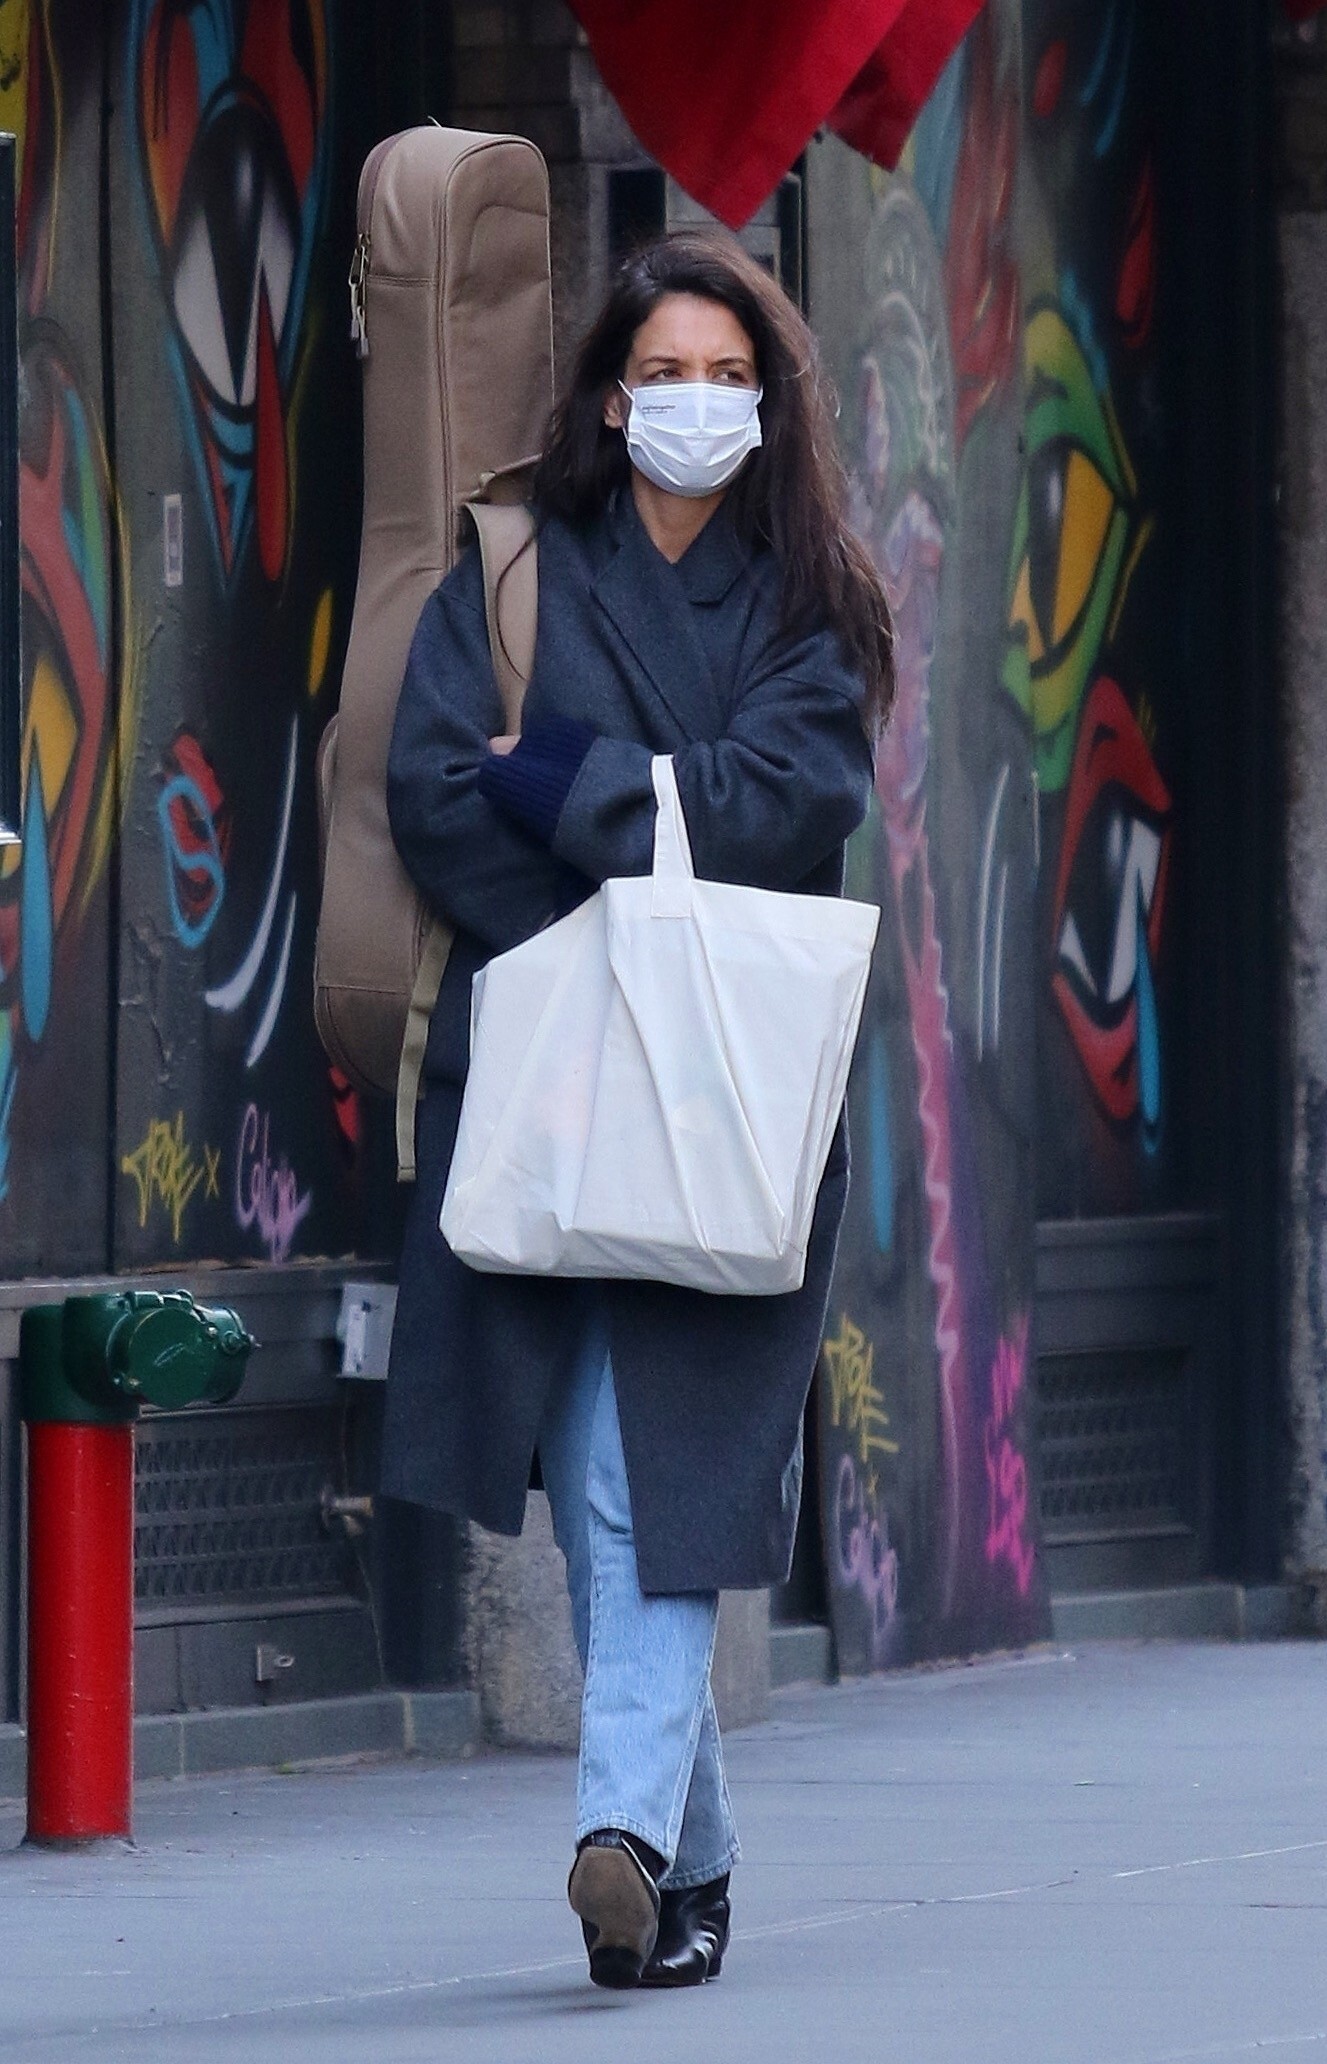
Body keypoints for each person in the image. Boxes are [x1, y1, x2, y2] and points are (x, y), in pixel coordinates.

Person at [383, 228, 894, 1991]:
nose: (695, 401)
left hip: (734, 1100)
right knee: (609, 1478)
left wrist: (566, 782)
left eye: (728, 376)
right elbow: (437, 790)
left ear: (770, 401)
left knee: (647, 1476)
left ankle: (626, 1835)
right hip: (551, 1073)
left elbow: (788, 800)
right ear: (611, 395)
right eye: (664, 373)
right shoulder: (519, 571)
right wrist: (621, 875)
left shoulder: (811, 600)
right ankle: (688, 1860)